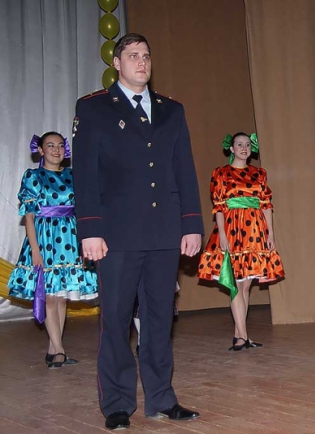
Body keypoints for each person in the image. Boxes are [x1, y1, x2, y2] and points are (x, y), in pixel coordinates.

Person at [72, 33, 203, 430]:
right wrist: (90, 230)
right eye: (132, 55)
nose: (141, 62)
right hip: (116, 235)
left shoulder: (171, 110)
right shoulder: (93, 108)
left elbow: (184, 170)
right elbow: (85, 175)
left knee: (160, 320)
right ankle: (117, 404)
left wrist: (191, 224)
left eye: (146, 55)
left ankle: (162, 398)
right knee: (115, 321)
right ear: (117, 63)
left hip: (163, 233)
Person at [8, 132, 98, 368]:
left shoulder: (72, 175)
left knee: (60, 297)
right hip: (45, 240)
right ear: (40, 150)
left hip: (69, 239)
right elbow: (29, 217)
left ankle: (53, 349)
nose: (56, 150)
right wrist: (35, 249)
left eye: (59, 145)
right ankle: (59, 350)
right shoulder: (33, 176)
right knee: (48, 296)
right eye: (50, 145)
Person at [198, 132, 284, 351]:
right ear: (231, 148)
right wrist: (223, 234)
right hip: (233, 230)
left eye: (247, 144)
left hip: (254, 231)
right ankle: (243, 336)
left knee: (246, 286)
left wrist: (270, 234)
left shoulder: (259, 173)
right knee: (235, 284)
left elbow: (266, 205)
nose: (244, 148)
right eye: (239, 144)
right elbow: (219, 207)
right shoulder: (221, 173)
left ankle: (240, 335)